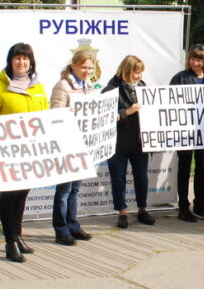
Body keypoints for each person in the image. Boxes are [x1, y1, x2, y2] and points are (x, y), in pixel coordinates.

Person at [0, 43, 50, 262]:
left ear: (31, 62)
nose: (21, 62)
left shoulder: (38, 87)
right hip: (9, 151)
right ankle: (9, 241)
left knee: (22, 194)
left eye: (25, 58)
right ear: (10, 61)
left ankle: (18, 235)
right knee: (9, 195)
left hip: (31, 152)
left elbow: (46, 115)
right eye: (17, 58)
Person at [170, 44, 204, 222]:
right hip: (184, 133)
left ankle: (199, 204)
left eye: (199, 59)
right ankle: (183, 207)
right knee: (184, 169)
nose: (195, 62)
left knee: (201, 169)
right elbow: (168, 102)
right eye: (193, 59)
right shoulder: (180, 78)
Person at [102, 55, 155, 230]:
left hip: (139, 142)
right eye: (136, 72)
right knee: (118, 179)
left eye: (140, 73)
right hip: (117, 143)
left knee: (142, 177)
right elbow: (104, 116)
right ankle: (122, 212)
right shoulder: (110, 89)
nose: (139, 76)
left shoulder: (143, 87)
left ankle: (142, 209)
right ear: (126, 70)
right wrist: (128, 112)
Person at [50, 50, 96, 246]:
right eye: (84, 67)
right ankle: (61, 229)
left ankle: (73, 224)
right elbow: (53, 112)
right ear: (74, 66)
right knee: (64, 190)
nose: (87, 71)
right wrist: (66, 112)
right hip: (66, 143)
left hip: (82, 142)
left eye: (90, 68)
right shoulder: (62, 85)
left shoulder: (88, 85)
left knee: (75, 189)